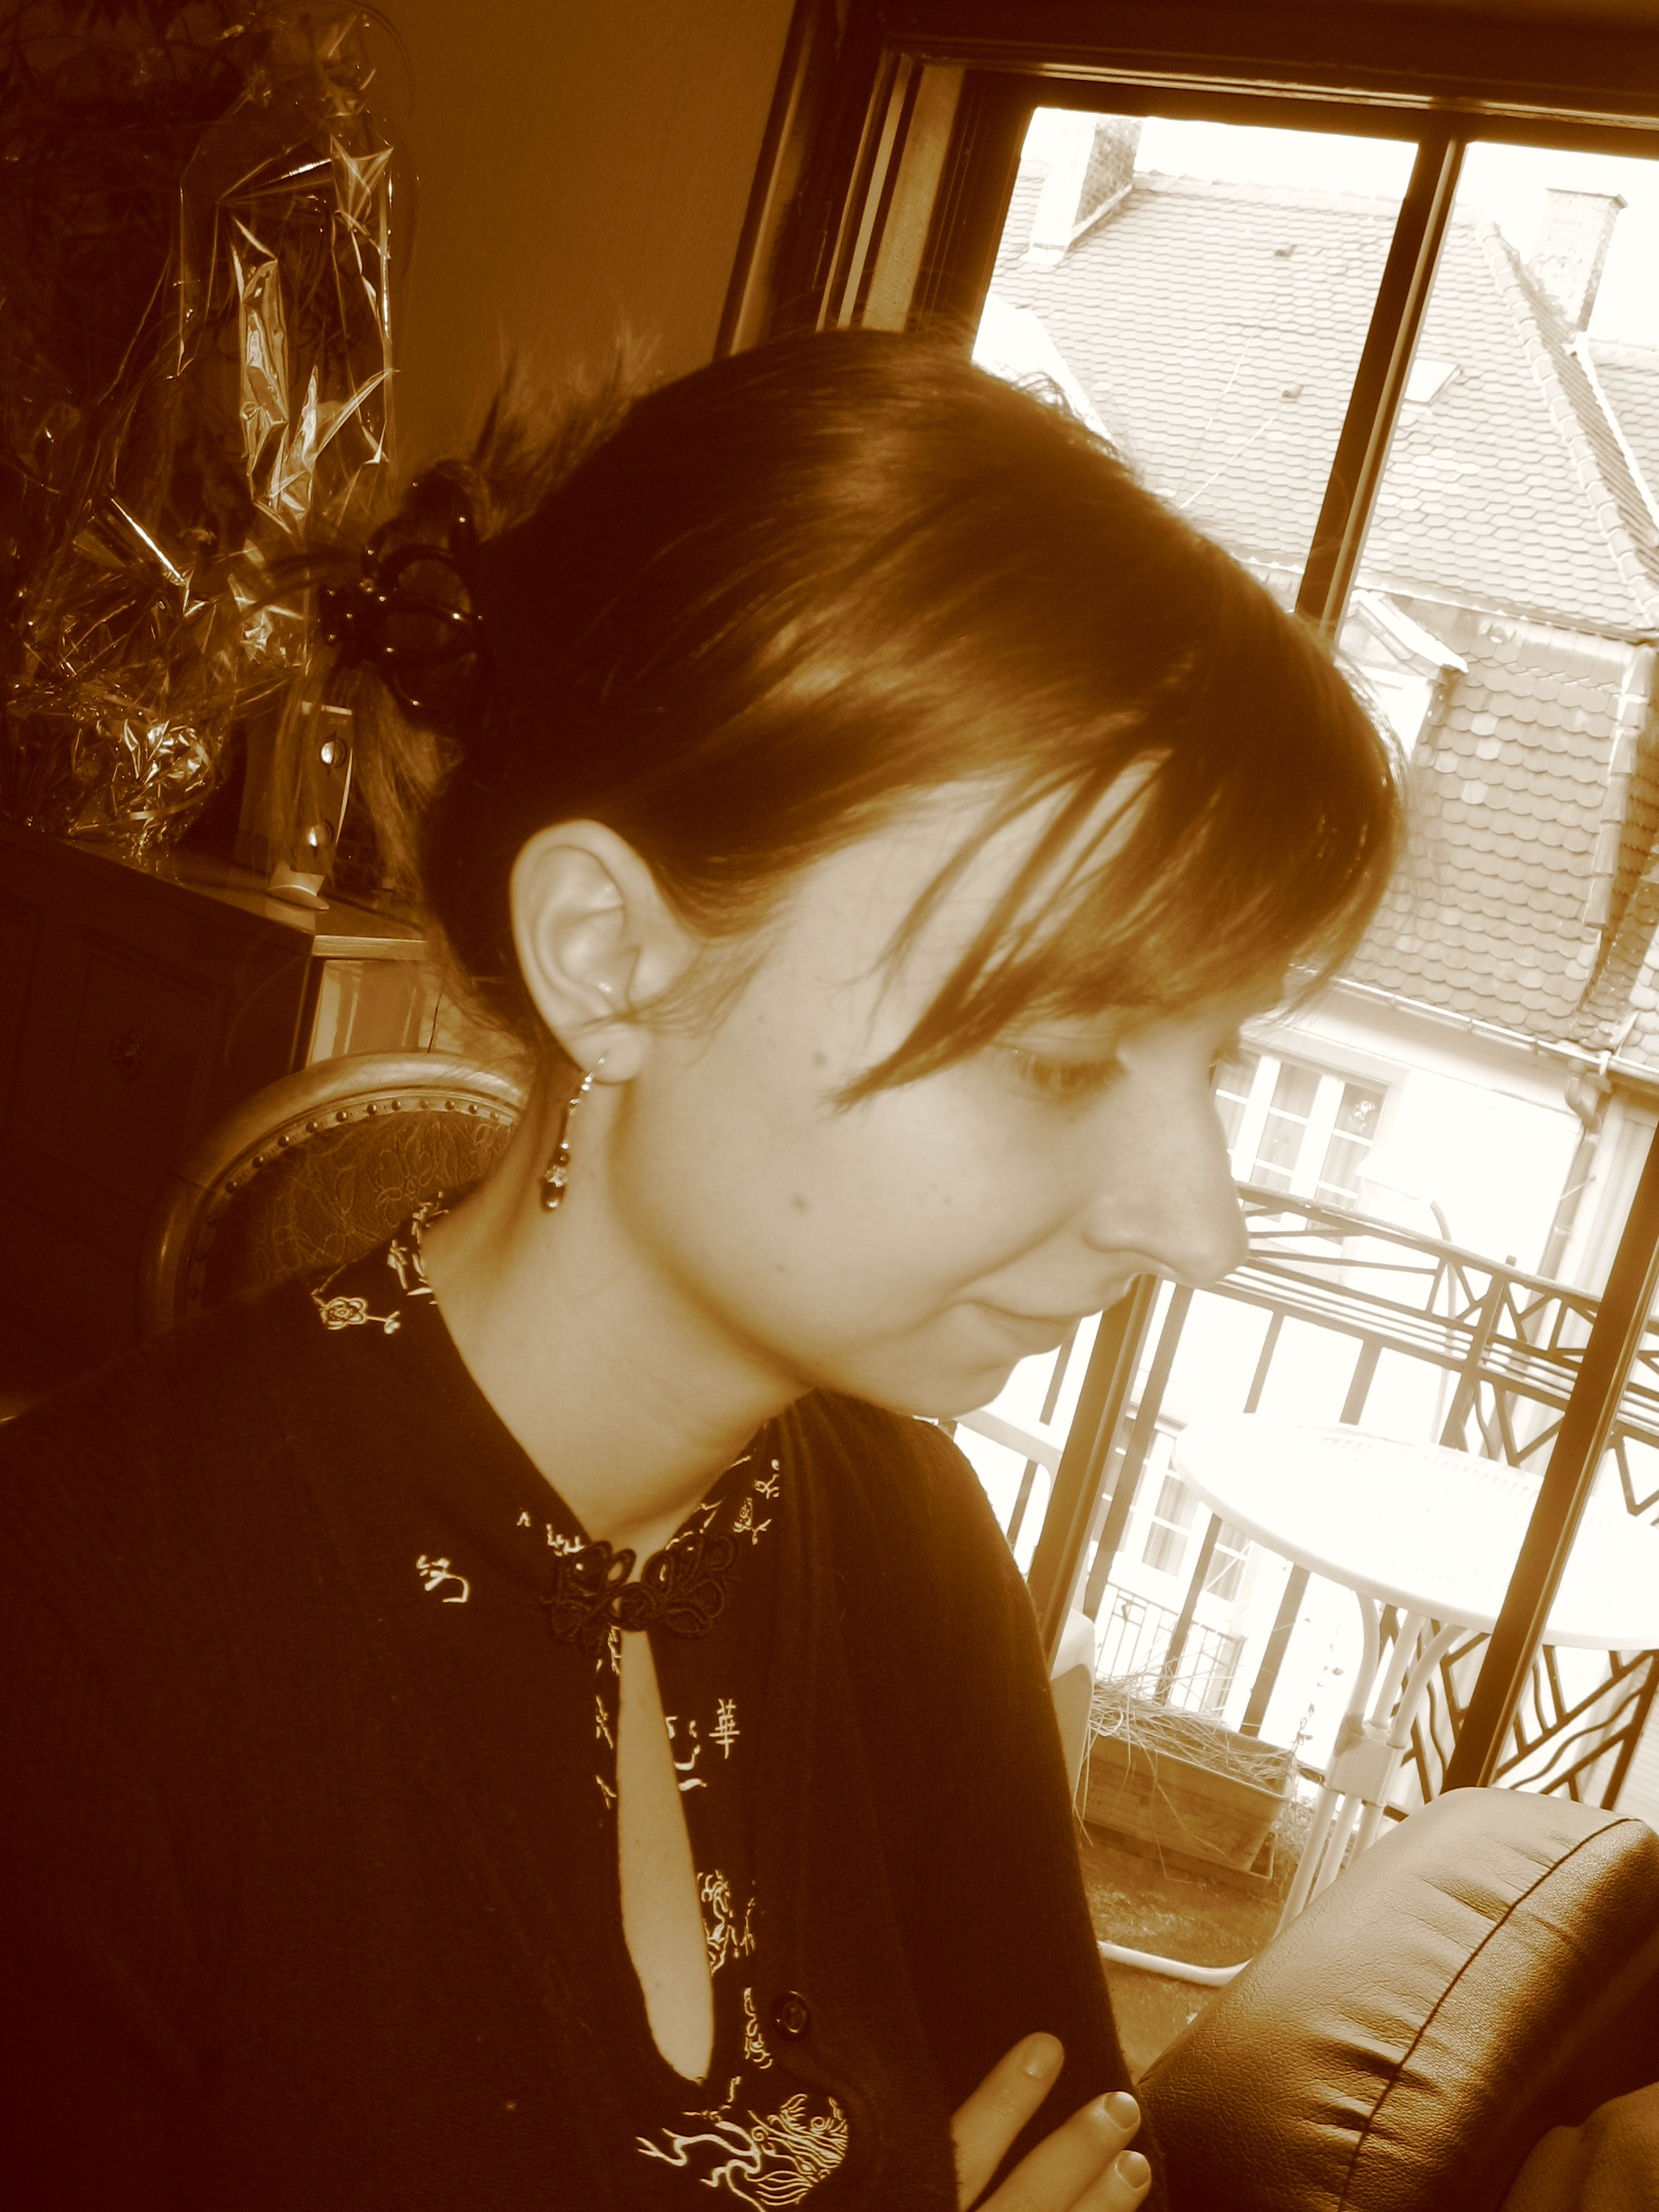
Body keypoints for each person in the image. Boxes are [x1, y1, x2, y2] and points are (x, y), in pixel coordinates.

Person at [0, 331, 1400, 2210]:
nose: (1203, 1224)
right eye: (1066, 1062)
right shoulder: (78, 1663)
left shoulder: (911, 1552)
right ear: (610, 957)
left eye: (1213, 1060)